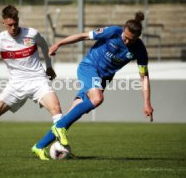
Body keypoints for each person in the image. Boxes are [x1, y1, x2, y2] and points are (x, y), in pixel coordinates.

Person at [33, 12, 154, 154]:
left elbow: (144, 77)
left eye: (131, 40)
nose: (126, 42)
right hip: (89, 67)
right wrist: (59, 43)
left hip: (102, 80)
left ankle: (39, 146)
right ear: (123, 30)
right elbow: (83, 36)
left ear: (137, 38)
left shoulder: (140, 50)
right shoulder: (113, 32)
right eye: (125, 38)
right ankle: (59, 129)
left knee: (70, 117)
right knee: (97, 99)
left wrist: (147, 102)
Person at [0, 5, 63, 160]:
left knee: (56, 109)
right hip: (15, 86)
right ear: (3, 23)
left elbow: (44, 46)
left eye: (15, 23)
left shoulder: (32, 34)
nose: (13, 27)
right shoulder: (0, 40)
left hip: (38, 81)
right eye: (10, 24)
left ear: (18, 20)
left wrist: (49, 67)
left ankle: (62, 146)